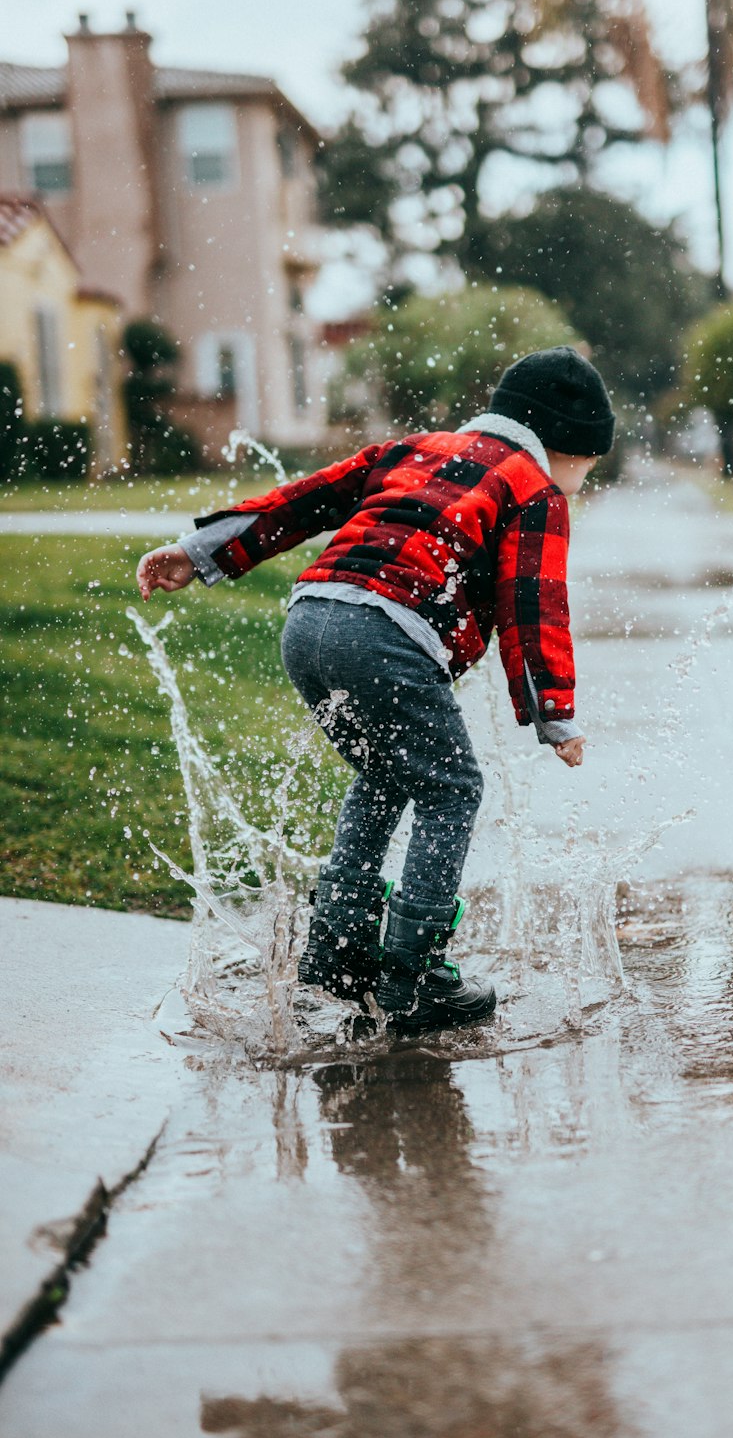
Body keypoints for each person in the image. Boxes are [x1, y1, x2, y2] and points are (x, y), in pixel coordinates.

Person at [136, 345, 616, 1033]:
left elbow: (307, 499)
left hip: (309, 620)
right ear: (564, 444)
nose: (582, 481)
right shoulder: (533, 489)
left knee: (385, 772)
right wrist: (556, 716)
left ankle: (337, 947)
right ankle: (414, 974)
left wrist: (200, 549)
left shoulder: (415, 448)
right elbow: (532, 603)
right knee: (453, 788)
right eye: (587, 467)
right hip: (384, 636)